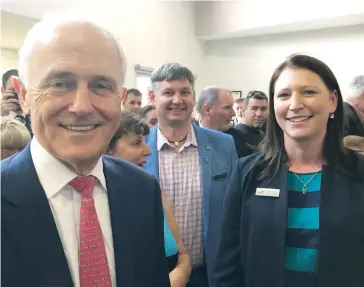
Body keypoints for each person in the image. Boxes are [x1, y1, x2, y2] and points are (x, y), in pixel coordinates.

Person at [1, 16, 170, 287]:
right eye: (60, 83)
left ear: (120, 97)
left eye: (101, 86)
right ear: (23, 95)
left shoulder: (141, 189)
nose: (82, 106)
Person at [213, 54, 364, 287]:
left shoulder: (359, 172)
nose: (295, 104)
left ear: (333, 100)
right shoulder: (248, 173)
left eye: (308, 92)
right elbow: (227, 263)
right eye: (283, 95)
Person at [145, 63, 238, 287]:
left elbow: (236, 209)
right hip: (154, 275)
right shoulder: (136, 150)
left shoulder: (223, 145)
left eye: (184, 92)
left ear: (194, 97)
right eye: (168, 92)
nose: (177, 100)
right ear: (152, 97)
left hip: (209, 275)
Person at [106, 111, 192, 286]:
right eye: (137, 143)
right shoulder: (91, 206)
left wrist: (177, 277)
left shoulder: (150, 190)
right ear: (106, 149)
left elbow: (182, 255)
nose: (148, 150)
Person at [196, 86, 252, 158]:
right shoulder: (188, 138)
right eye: (227, 107)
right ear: (208, 110)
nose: (234, 113)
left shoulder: (240, 140)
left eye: (232, 107)